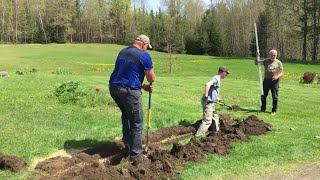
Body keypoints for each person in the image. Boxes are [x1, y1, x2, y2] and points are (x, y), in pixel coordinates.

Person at [109, 34, 156, 161]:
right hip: (129, 91)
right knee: (137, 121)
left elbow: (127, 75)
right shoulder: (143, 55)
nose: (146, 49)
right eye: (147, 47)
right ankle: (136, 154)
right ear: (144, 44)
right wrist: (150, 82)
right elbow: (151, 77)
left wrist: (143, 86)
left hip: (114, 88)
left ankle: (128, 142)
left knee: (126, 114)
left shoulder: (123, 51)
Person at [195, 66, 229, 136]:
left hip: (211, 102)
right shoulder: (216, 78)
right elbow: (207, 85)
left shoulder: (217, 79)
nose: (226, 75)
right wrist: (207, 96)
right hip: (208, 102)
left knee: (215, 116)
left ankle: (216, 133)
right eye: (226, 73)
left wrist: (218, 99)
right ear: (223, 72)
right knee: (207, 121)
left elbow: (213, 92)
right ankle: (198, 136)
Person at [255, 49, 284, 115]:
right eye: (272, 55)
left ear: (276, 55)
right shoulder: (266, 61)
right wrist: (257, 56)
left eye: (274, 55)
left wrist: (277, 76)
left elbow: (282, 72)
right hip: (266, 81)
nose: (273, 56)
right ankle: (263, 109)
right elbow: (257, 63)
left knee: (275, 96)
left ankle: (274, 110)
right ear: (269, 55)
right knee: (263, 95)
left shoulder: (278, 62)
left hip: (274, 81)